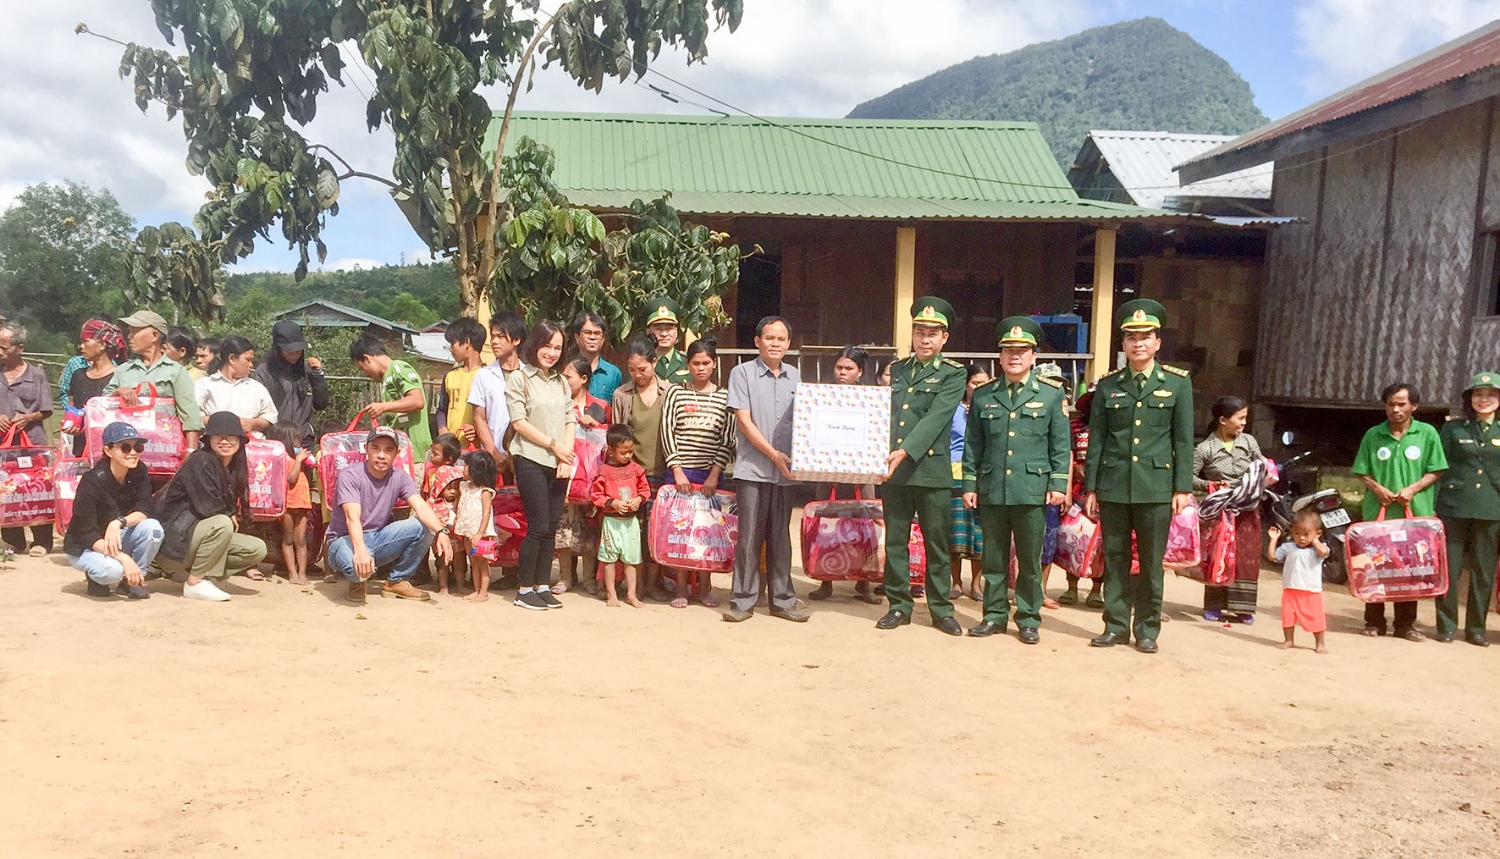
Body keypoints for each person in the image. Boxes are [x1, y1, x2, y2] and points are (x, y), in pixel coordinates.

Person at [1084, 299, 1194, 654]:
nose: (1138, 344)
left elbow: (1183, 440)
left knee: (1150, 563)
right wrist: (1091, 487)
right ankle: (1115, 625)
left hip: (1155, 486)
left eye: (1145, 337)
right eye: (1131, 338)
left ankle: (1147, 629)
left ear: (1157, 342)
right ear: (1123, 344)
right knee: (1115, 559)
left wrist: (1182, 487)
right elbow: (1098, 439)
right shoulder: (1108, 385)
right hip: (1114, 484)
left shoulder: (1177, 384)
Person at [961, 317, 1070, 643]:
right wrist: (970, 485)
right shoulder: (984, 395)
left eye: (1021, 351)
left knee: (1029, 560)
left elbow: (1060, 444)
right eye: (1008, 351)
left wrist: (1057, 484)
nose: (1014, 356)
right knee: (993, 558)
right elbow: (973, 444)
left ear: (1033, 356)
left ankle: (1028, 618)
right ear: (1000, 356)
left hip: (1032, 489)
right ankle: (994, 615)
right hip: (993, 488)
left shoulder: (1050, 394)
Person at [875, 297, 968, 635]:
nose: (925, 340)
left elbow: (936, 418)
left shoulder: (953, 374)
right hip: (895, 473)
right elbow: (885, 415)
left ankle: (941, 609)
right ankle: (899, 605)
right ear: (912, 334)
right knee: (896, 542)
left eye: (932, 334)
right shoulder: (899, 370)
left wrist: (904, 450)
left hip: (931, 472)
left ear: (944, 338)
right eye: (920, 332)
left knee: (936, 544)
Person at [722, 316, 808, 624]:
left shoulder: (796, 376)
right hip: (752, 470)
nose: (775, 343)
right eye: (769, 338)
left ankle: (783, 601)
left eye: (781, 339)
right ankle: (742, 602)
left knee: (780, 538)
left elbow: (807, 421)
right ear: (757, 341)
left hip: (786, 473)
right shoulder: (741, 373)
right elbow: (744, 421)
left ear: (788, 344)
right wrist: (773, 454)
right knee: (749, 538)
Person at [1352, 382, 1447, 641]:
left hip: (1413, 513)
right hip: (1378, 513)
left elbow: (1437, 469)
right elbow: (1361, 470)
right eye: (1391, 404)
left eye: (1401, 404)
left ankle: (1406, 625)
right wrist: (1377, 489)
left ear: (1413, 406)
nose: (1396, 409)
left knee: (1409, 569)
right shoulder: (1373, 434)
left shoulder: (1426, 433)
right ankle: (1374, 621)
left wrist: (1413, 489)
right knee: (1375, 566)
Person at [326, 426, 453, 603]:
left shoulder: (400, 477)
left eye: (388, 450)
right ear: (366, 449)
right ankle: (358, 582)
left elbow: (420, 506)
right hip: (344, 540)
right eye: (375, 448)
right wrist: (360, 551)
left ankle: (397, 581)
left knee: (425, 527)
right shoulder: (350, 476)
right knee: (356, 570)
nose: (381, 455)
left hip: (377, 537)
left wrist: (442, 531)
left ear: (396, 454)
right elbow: (352, 517)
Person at [155, 411, 270, 600]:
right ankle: (195, 583)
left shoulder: (232, 468)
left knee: (257, 548)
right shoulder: (200, 461)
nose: (225, 442)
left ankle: (195, 575)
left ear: (239, 440)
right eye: (219, 437)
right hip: (175, 543)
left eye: (231, 437)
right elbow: (208, 507)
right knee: (222, 523)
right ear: (209, 440)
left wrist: (228, 513)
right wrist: (229, 514)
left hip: (195, 539)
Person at [506, 319, 577, 610]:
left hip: (558, 462)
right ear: (535, 344)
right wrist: (553, 446)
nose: (552, 353)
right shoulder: (519, 379)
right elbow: (519, 423)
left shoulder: (561, 382)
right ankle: (524, 590)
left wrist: (565, 456)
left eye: (558, 348)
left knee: (551, 528)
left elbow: (570, 418)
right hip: (530, 459)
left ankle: (542, 585)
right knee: (536, 526)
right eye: (547, 345)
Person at [661, 339, 737, 609]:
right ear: (688, 365)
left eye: (706, 363)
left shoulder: (726, 397)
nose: (701, 368)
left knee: (708, 534)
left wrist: (714, 475)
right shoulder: (676, 393)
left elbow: (727, 438)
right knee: (681, 533)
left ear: (714, 364)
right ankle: (681, 588)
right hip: (680, 475)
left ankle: (705, 589)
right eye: (695, 363)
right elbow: (667, 431)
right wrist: (677, 471)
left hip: (710, 475)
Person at [809, 345, 882, 605]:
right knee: (827, 525)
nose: (842, 372)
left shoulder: (872, 400)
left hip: (862, 474)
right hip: (828, 472)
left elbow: (877, 436)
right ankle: (825, 580)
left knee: (864, 526)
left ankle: (865, 583)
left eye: (849, 368)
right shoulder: (821, 397)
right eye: (839, 367)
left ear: (860, 372)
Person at [1434, 371, 1500, 646]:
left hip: (1491, 507)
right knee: (1449, 567)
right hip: (1454, 506)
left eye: (1491, 394)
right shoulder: (1454, 429)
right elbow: (1439, 467)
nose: (1484, 399)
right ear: (1469, 399)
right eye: (1478, 394)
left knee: (1484, 571)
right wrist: (1433, 506)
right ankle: (1446, 625)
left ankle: (1476, 629)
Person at [64, 421, 163, 600]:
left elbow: (145, 508)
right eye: (125, 447)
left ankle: (132, 582)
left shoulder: (139, 471)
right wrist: (125, 559)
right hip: (87, 545)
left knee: (153, 528)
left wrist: (118, 523)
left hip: (116, 537)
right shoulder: (92, 480)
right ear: (108, 451)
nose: (133, 453)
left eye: (137, 447)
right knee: (112, 571)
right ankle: (96, 577)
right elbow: (86, 533)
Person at [1192, 395, 1265, 623]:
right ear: (1223, 420)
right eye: (1240, 418)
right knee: (1218, 554)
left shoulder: (1249, 442)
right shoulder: (1205, 449)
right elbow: (1188, 477)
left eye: (1245, 418)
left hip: (1247, 510)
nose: (1244, 423)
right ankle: (1214, 605)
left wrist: (1266, 470)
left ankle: (1243, 608)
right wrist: (1210, 485)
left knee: (1245, 557)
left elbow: (1261, 464)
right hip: (1220, 511)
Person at [613, 336, 673, 601]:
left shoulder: (670, 393)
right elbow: (616, 436)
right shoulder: (622, 395)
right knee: (632, 531)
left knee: (657, 531)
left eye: (643, 369)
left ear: (654, 363)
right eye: (632, 370)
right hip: (632, 475)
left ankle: (653, 584)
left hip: (662, 473)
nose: (637, 375)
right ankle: (633, 585)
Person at [104, 309, 203, 450]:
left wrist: (191, 451)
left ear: (155, 335)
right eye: (129, 332)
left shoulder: (176, 371)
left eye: (134, 331)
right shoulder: (123, 370)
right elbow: (102, 407)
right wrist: (118, 392)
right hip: (128, 451)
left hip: (164, 448)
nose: (129, 337)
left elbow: (190, 417)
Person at [0, 321, 56, 556]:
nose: (0, 352)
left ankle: (42, 541)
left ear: (20, 348)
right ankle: (14, 541)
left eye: (4, 347)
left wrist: (29, 417)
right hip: (3, 446)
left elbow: (47, 408)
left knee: (37, 488)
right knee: (6, 490)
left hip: (31, 444)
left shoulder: (37, 375)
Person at [556, 355, 609, 595]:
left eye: (568, 376)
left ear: (584, 378)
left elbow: (609, 441)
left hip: (591, 479)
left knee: (589, 528)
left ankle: (589, 579)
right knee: (564, 527)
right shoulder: (559, 404)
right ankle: (565, 577)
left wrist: (596, 425)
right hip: (565, 474)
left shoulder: (601, 407)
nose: (564, 380)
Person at [350, 333, 433, 464]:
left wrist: (383, 407)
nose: (365, 373)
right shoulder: (387, 377)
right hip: (400, 453)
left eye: (362, 368)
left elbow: (417, 401)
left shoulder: (398, 368)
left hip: (413, 454)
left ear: (367, 359)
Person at [592, 424, 651, 607]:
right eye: (623, 452)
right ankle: (612, 594)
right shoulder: (604, 472)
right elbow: (596, 496)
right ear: (611, 450)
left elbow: (645, 490)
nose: (627, 456)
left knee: (632, 560)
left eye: (630, 452)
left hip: (631, 522)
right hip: (611, 522)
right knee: (609, 560)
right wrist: (613, 503)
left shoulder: (637, 470)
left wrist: (638, 500)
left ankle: (631, 594)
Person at [950, 362, 992, 603]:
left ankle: (976, 585)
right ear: (965, 385)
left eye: (984, 383)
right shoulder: (953, 409)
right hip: (955, 473)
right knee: (956, 532)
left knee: (980, 533)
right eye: (975, 382)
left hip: (984, 474)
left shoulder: (992, 408)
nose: (979, 387)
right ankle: (956, 582)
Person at [1058, 386, 1103, 608]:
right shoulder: (1075, 425)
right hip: (1077, 490)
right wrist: (1076, 469)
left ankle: (1096, 590)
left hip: (1104, 491)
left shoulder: (1114, 427)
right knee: (1073, 538)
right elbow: (1069, 453)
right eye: (1095, 399)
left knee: (1102, 544)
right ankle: (1072, 587)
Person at [252, 321, 328, 449]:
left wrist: (318, 376)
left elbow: (321, 404)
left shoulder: (307, 370)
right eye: (290, 352)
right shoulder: (264, 373)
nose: (295, 356)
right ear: (278, 349)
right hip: (275, 441)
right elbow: (257, 409)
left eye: (298, 352)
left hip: (303, 440)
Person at [469, 311, 527, 472]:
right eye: (493, 336)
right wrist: (494, 453)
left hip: (524, 457)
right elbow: (479, 419)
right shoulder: (483, 375)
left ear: (516, 340)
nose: (494, 341)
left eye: (501, 336)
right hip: (492, 460)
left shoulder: (529, 375)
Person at [59, 318, 125, 457]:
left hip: (110, 450)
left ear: (102, 345)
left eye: (85, 341)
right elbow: (72, 408)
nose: (81, 347)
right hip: (81, 449)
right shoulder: (78, 375)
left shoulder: (120, 377)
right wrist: (72, 424)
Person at [1267, 509, 1329, 653]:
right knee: (1288, 616)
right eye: (1297, 533)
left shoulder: (1317, 550)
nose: (1301, 538)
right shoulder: (1288, 547)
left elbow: (1324, 552)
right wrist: (1273, 539)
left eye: (1306, 534)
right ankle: (1288, 640)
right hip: (1290, 589)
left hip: (1311, 591)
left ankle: (1320, 643)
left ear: (1318, 533)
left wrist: (1315, 541)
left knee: (1316, 618)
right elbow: (1272, 556)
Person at [197, 335, 278, 434]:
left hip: (251, 441)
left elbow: (271, 417)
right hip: (216, 440)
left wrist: (252, 423)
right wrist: (222, 423)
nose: (251, 365)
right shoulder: (205, 385)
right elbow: (195, 416)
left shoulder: (257, 388)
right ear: (231, 358)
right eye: (247, 360)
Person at [264, 421, 314, 585]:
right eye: (296, 438)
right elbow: (291, 479)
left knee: (301, 540)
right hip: (288, 504)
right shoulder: (282, 459)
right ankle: (292, 572)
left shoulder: (292, 457)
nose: (299, 442)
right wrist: (298, 461)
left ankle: (302, 573)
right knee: (288, 539)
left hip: (302, 503)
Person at [454, 451, 499, 602]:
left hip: (480, 533)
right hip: (467, 531)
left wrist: (480, 532)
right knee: (473, 561)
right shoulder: (463, 486)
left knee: (482, 562)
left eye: (466, 466)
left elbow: (486, 512)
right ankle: (476, 589)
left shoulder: (485, 491)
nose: (463, 469)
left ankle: (483, 592)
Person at [436, 317, 486, 447]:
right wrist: (442, 428)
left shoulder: (488, 376)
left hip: (477, 450)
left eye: (453, 343)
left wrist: (477, 430)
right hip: (452, 449)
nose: (451, 349)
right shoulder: (450, 376)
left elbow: (495, 416)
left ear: (467, 342)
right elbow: (441, 409)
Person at [426, 464, 465, 594]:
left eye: (456, 488)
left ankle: (460, 586)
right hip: (440, 541)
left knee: (459, 563)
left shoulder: (461, 501)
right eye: (449, 488)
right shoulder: (433, 502)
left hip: (458, 540)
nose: (453, 492)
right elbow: (427, 518)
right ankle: (443, 587)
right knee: (443, 564)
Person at [573, 311, 624, 402]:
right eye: (587, 332)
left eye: (597, 333)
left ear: (603, 339)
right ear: (577, 337)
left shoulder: (613, 373)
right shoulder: (568, 371)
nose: (592, 337)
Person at [643, 297, 691, 386]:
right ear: (648, 332)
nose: (664, 334)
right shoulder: (642, 363)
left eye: (669, 328)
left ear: (676, 331)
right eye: (658, 329)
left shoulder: (689, 362)